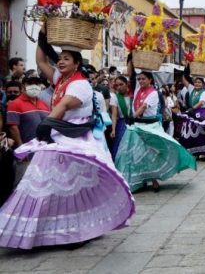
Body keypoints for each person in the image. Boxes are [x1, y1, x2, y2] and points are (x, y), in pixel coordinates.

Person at [0, 29, 135, 249]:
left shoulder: (79, 84)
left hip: (75, 141)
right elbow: (41, 60)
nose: (61, 62)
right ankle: (53, 231)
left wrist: (45, 126)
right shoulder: (61, 79)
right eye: (60, 58)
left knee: (73, 190)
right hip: (59, 138)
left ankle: (79, 232)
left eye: (66, 59)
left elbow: (62, 107)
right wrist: (43, 36)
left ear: (76, 63)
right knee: (48, 188)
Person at [114, 57, 197, 193]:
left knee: (151, 154)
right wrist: (131, 58)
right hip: (137, 127)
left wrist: (132, 117)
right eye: (139, 79)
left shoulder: (153, 93)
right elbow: (131, 74)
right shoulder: (137, 90)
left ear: (150, 80)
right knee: (134, 155)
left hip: (150, 127)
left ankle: (153, 180)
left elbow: (142, 108)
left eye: (143, 79)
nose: (140, 82)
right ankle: (138, 181)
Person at [6, 76, 49, 147]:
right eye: (30, 83)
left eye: (37, 84)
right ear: (23, 87)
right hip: (27, 149)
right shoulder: (15, 104)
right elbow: (13, 128)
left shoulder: (44, 104)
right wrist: (21, 148)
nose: (34, 86)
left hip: (44, 147)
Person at [108, 75, 131, 160]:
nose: (119, 87)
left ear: (127, 84)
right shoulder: (115, 97)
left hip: (134, 123)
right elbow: (114, 115)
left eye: (121, 84)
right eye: (117, 85)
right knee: (120, 146)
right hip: (122, 124)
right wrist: (113, 129)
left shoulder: (133, 95)